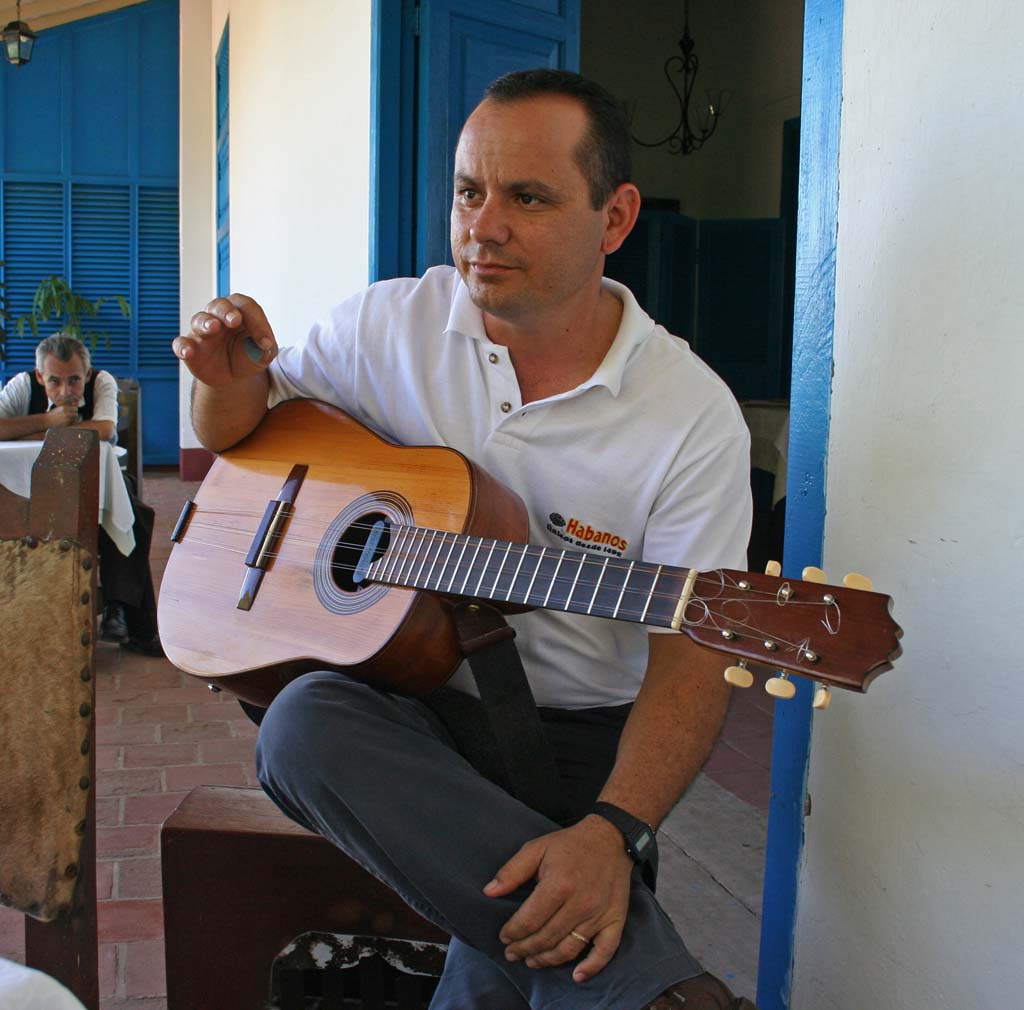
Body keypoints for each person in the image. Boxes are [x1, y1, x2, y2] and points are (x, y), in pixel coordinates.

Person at [174, 70, 757, 1010]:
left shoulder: (690, 418)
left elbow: (692, 657)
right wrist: (219, 376)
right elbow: (241, 432)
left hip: (575, 741)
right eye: (468, 191)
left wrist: (614, 831)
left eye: (527, 197)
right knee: (297, 725)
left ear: (615, 219)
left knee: (520, 936)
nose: (483, 227)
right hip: (404, 710)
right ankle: (651, 988)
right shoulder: (386, 323)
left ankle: (637, 979)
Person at [0, 333, 162, 656]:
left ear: (86, 375)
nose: (65, 391)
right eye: (54, 381)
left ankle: (120, 609)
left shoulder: (102, 382)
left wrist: (35, 431)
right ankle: (124, 612)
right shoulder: (21, 385)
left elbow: (104, 430)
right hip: (27, 485)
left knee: (131, 511)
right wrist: (50, 420)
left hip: (95, 477)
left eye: (74, 380)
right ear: (38, 377)